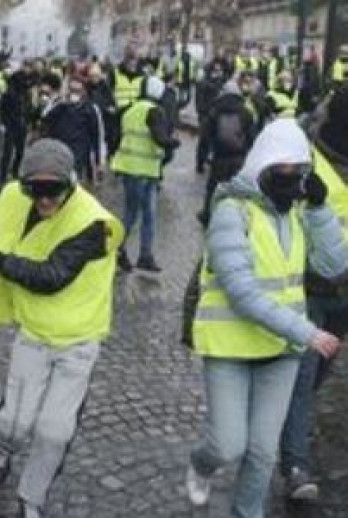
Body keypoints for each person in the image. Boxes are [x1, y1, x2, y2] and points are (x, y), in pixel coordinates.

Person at [0, 139, 124, 518]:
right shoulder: (15, 196)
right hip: (33, 332)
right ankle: (5, 443)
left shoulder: (93, 223)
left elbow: (49, 276)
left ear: (71, 182)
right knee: (15, 421)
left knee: (55, 431)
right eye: (34, 189)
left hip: (78, 341)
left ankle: (32, 499)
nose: (43, 199)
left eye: (52, 190)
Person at [186, 119, 347, 518]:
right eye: (284, 170)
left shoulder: (298, 212)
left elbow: (333, 266)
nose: (292, 179)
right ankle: (201, 464)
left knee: (261, 453)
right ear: (263, 164)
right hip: (231, 347)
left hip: (281, 351)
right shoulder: (231, 211)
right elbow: (241, 291)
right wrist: (307, 331)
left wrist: (320, 209)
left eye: (300, 171)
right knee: (227, 444)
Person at [280, 86, 348, 501]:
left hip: (343, 295)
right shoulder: (306, 160)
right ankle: (295, 465)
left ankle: (290, 428)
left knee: (320, 370)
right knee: (303, 376)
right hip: (308, 288)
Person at [112, 76, 179, 273]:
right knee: (140, 215)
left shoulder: (130, 110)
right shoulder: (155, 111)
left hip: (134, 169)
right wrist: (173, 142)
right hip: (144, 170)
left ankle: (141, 254)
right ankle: (123, 251)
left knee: (139, 214)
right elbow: (160, 138)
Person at [197, 79, 258, 227]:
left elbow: (204, 139)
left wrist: (200, 161)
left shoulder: (215, 111)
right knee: (238, 191)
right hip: (239, 159)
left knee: (213, 188)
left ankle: (207, 214)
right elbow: (252, 138)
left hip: (220, 158)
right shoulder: (245, 113)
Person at [38, 75, 103, 185]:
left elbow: (98, 136)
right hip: (58, 152)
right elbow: (44, 117)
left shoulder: (91, 109)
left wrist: (99, 162)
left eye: (77, 91)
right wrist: (59, 101)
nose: (74, 94)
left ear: (84, 91)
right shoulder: (60, 106)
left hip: (79, 155)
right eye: (71, 90)